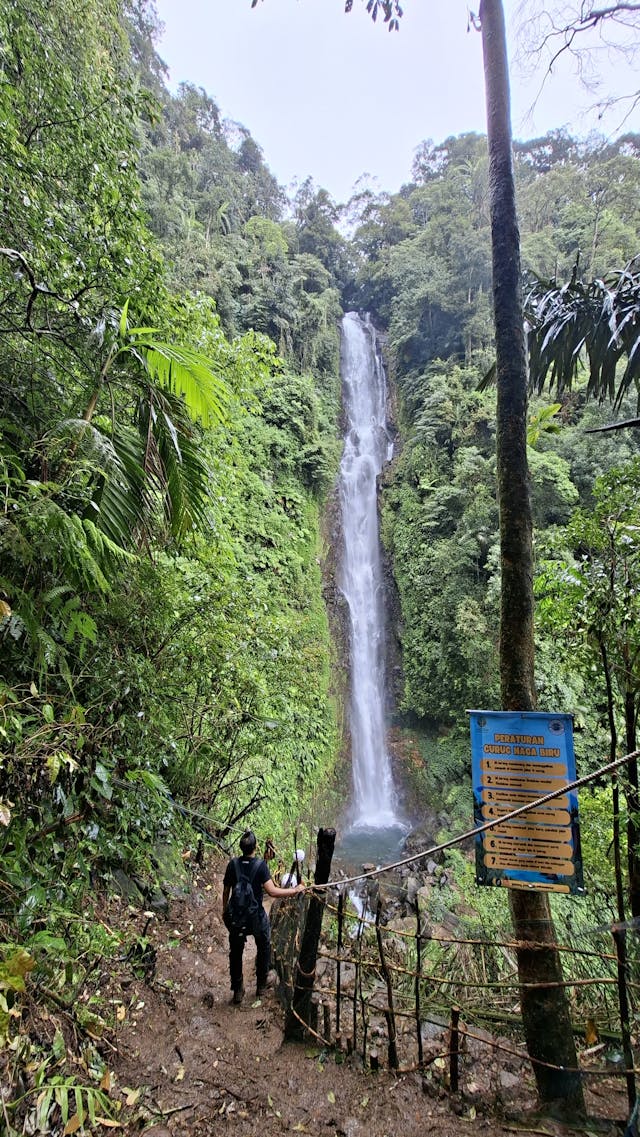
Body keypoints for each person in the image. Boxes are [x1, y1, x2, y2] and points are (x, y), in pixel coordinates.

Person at [222, 830, 305, 1005]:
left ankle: (237, 990)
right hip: (255, 918)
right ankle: (261, 984)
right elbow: (272, 891)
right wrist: (294, 890)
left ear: (241, 847)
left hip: (236, 917)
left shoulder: (233, 864)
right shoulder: (260, 866)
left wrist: (225, 911)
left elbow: (226, 890)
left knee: (235, 952)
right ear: (256, 846)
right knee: (264, 944)